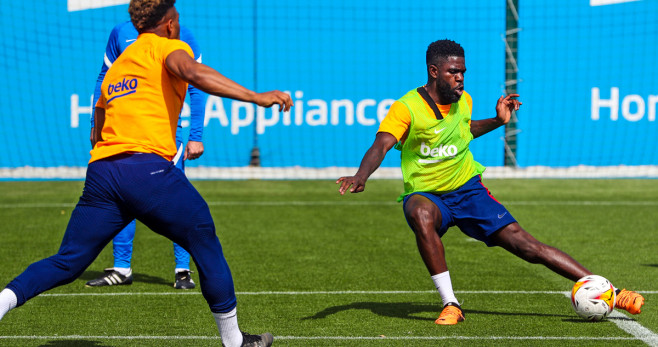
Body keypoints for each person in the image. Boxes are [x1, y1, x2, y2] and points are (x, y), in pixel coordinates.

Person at [0, 1, 292, 346]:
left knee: (68, 262)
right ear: (169, 24)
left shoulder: (119, 64)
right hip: (146, 169)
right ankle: (234, 341)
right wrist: (256, 97)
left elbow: (98, 121)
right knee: (204, 239)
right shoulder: (169, 47)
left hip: (103, 173)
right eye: (178, 21)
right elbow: (195, 75)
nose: (180, 26)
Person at [336, 39, 644, 325]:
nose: (460, 78)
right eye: (453, 72)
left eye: (463, 72)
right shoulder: (406, 108)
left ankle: (613, 293)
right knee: (419, 213)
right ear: (433, 71)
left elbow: (464, 130)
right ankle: (451, 304)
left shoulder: (464, 100)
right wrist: (361, 175)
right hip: (427, 194)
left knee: (528, 247)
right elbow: (381, 144)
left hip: (469, 191)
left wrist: (498, 120)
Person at [85, 20, 206, 290]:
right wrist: (96, 123)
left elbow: (196, 86)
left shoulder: (181, 33)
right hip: (123, 136)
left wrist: (195, 135)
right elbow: (104, 77)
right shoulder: (120, 31)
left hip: (164, 137)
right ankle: (121, 268)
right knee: (121, 200)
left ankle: (182, 270)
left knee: (177, 200)